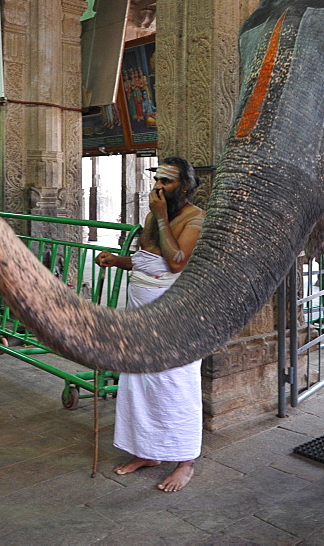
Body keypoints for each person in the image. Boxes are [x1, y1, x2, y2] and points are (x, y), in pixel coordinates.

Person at [95, 157, 206, 492]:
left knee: (175, 384)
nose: (158, 186)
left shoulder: (196, 218)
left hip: (174, 317)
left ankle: (185, 462)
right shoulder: (149, 216)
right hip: (141, 314)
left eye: (167, 181)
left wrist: (159, 217)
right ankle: (147, 452)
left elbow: (175, 262)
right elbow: (148, 260)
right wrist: (118, 261)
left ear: (184, 187)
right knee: (139, 384)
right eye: (157, 179)